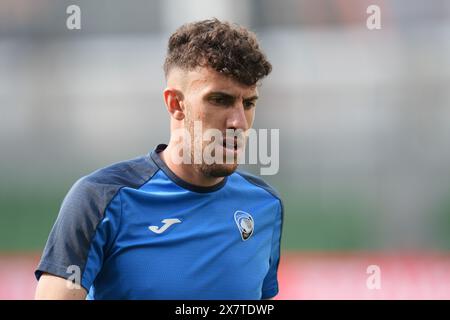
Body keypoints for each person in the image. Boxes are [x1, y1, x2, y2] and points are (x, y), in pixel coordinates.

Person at [34, 18, 283, 300]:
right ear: (175, 104)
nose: (238, 121)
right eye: (220, 100)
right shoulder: (100, 199)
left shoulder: (265, 206)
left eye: (248, 103)